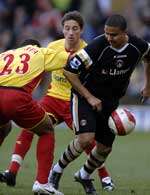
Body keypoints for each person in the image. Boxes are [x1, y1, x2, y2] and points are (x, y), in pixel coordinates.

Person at [0, 11, 114, 193]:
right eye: (67, 28)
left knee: (86, 140)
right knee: (30, 128)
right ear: (62, 29)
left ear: (81, 31)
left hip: (73, 100)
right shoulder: (52, 47)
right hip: (52, 98)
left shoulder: (87, 50)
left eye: (75, 29)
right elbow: (44, 71)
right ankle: (12, 171)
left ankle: (104, 176)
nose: (70, 32)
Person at [49, 14, 150, 195]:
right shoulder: (97, 46)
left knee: (105, 148)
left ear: (124, 33)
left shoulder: (137, 46)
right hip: (85, 97)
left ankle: (84, 175)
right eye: (106, 33)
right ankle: (55, 171)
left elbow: (148, 58)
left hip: (110, 101)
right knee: (85, 139)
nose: (109, 38)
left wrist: (148, 86)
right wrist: (89, 98)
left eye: (113, 35)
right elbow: (69, 72)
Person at [0, 38, 70, 195]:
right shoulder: (40, 52)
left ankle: (13, 170)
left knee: (4, 128)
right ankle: (42, 183)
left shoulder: (6, 54)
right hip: (16, 96)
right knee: (46, 129)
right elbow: (71, 59)